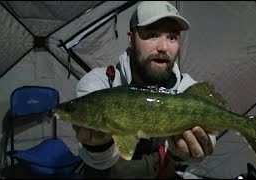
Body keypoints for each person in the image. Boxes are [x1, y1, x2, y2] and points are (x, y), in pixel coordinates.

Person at [72, 1, 216, 178]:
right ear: (131, 39)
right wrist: (97, 146)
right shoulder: (99, 85)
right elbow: (97, 162)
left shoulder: (188, 89)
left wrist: (194, 150)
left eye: (172, 37)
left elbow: (209, 131)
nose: (163, 47)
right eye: (152, 35)